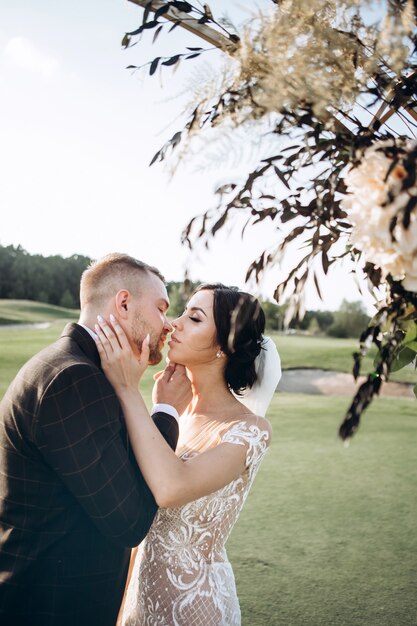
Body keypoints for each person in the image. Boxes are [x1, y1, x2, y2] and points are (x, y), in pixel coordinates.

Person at [0, 253, 192, 626]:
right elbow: (130, 520)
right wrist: (167, 413)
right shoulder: (74, 379)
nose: (168, 325)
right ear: (123, 303)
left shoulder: (77, 368)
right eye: (161, 308)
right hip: (47, 609)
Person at [95, 283, 282, 626]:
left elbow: (170, 488)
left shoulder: (250, 430)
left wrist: (126, 388)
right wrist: (163, 409)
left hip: (195, 606)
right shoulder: (175, 414)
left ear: (225, 346)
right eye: (180, 313)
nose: (173, 324)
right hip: (139, 598)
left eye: (194, 318)